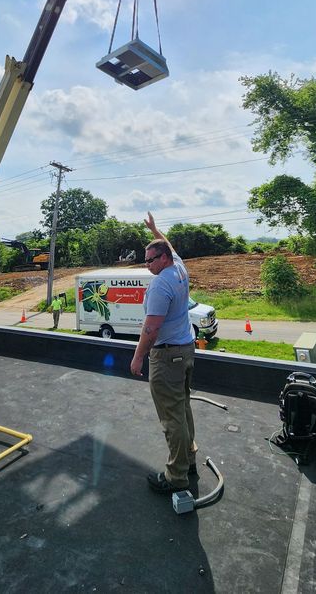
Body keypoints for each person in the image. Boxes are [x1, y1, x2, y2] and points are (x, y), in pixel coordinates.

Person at [130, 212, 197, 494]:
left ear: (163, 259)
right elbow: (168, 244)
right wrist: (156, 230)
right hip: (186, 350)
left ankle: (175, 477)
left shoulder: (160, 283)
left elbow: (151, 329)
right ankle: (189, 460)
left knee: (171, 417)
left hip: (167, 356)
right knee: (182, 407)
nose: (146, 266)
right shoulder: (179, 268)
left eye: (149, 260)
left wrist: (137, 357)